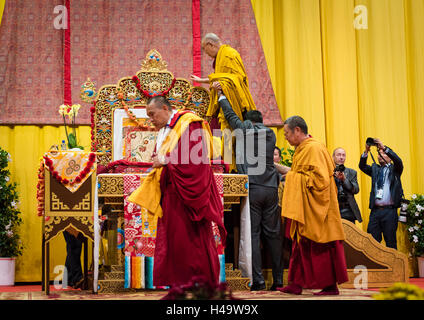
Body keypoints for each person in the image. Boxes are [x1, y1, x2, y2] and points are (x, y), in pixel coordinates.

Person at [128, 96, 226, 287]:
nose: (151, 120)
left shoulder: (189, 123)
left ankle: (200, 281)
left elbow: (195, 159)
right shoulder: (166, 130)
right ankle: (179, 282)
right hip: (172, 193)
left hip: (187, 193)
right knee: (174, 240)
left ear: (165, 108)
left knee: (191, 239)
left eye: (152, 114)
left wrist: (164, 161)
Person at [217, 91, 283, 291]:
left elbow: (231, 117)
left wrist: (222, 98)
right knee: (273, 234)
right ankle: (278, 280)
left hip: (252, 188)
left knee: (253, 234)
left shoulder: (246, 129)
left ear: (249, 122)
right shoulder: (271, 134)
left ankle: (259, 281)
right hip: (271, 188)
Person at [278, 116, 348, 296]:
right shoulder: (303, 149)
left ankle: (330, 286)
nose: (285, 137)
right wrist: (293, 175)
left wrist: (293, 178)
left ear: (297, 130)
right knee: (300, 244)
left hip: (319, 207)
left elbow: (321, 180)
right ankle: (296, 284)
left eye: (286, 133)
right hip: (307, 205)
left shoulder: (313, 148)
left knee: (319, 244)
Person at [190, 33, 256, 171]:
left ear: (210, 44)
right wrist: (203, 80)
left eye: (204, 49)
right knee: (222, 137)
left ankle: (233, 171)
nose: (205, 53)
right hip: (223, 101)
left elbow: (238, 78)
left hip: (233, 102)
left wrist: (222, 85)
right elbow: (222, 78)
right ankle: (226, 168)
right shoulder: (221, 55)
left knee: (231, 136)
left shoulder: (229, 54)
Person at [358, 138, 403, 249]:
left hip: (390, 211)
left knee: (390, 242)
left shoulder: (395, 169)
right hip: (375, 211)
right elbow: (362, 166)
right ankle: (376, 266)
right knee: (372, 242)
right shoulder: (375, 169)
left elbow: (398, 160)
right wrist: (366, 151)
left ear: (389, 158)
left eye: (383, 153)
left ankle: (393, 266)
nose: (379, 155)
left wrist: (384, 148)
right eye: (379, 153)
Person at [332, 148, 362, 224]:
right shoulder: (327, 171)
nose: (341, 157)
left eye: (343, 155)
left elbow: (355, 190)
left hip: (348, 209)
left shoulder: (352, 172)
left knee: (350, 234)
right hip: (332, 209)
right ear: (333, 157)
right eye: (338, 155)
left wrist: (344, 180)